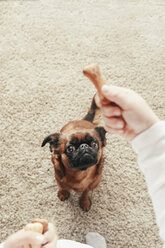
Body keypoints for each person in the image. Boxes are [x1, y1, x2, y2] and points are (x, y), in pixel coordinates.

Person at [1, 85, 165, 248]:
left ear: (102, 143)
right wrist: (63, 188)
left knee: (89, 187)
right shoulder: (60, 163)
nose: (85, 149)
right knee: (64, 187)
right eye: (71, 149)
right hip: (67, 175)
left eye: (92, 145)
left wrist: (84, 196)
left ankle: (85, 195)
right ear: (55, 150)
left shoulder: (95, 175)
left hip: (91, 171)